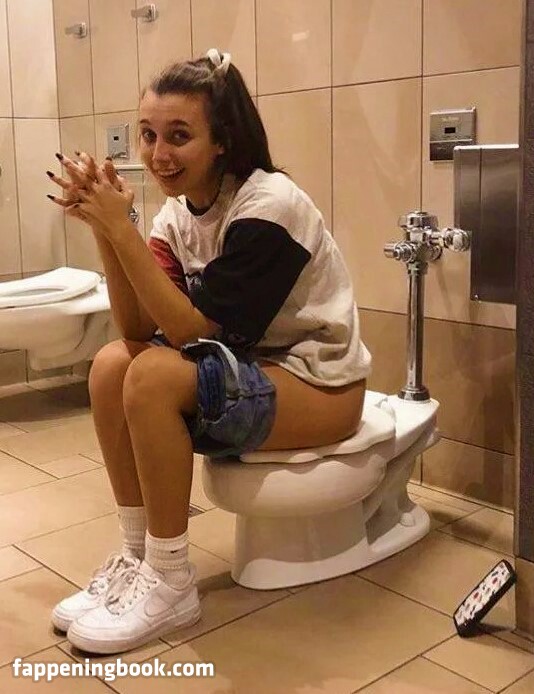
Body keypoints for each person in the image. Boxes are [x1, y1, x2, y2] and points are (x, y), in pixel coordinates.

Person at [46, 48, 371, 654]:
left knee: (152, 376)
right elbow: (136, 327)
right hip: (252, 371)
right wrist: (107, 231)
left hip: (318, 384)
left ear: (221, 141)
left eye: (179, 135)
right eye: (148, 134)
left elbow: (193, 332)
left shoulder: (269, 207)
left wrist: (121, 228)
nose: (158, 154)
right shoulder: (176, 217)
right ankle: (138, 558)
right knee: (113, 365)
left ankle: (171, 580)